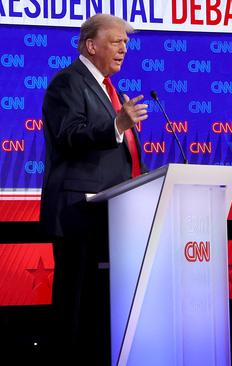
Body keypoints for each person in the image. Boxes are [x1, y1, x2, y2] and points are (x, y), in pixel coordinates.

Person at [40, 13, 148, 365]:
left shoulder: (110, 90)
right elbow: (68, 135)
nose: (124, 49)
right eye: (116, 41)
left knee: (99, 309)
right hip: (79, 214)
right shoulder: (68, 83)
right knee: (75, 306)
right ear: (91, 45)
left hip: (111, 215)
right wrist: (117, 124)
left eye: (126, 43)